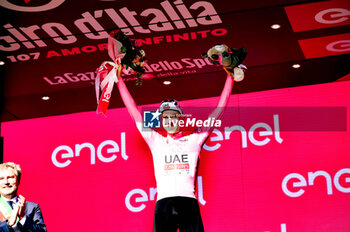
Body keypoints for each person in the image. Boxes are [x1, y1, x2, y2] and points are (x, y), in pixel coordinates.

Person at [116, 59, 238, 232]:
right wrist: (118, 79)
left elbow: (220, 108)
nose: (169, 120)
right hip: (164, 204)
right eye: (165, 117)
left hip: (188, 202)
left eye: (173, 116)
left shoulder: (194, 139)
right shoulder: (155, 140)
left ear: (180, 118)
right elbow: (133, 109)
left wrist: (230, 77)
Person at [0, 162, 47, 232]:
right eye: (1, 179)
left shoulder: (32, 207)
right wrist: (8, 224)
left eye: (10, 177)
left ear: (18, 180)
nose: (6, 182)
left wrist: (23, 218)